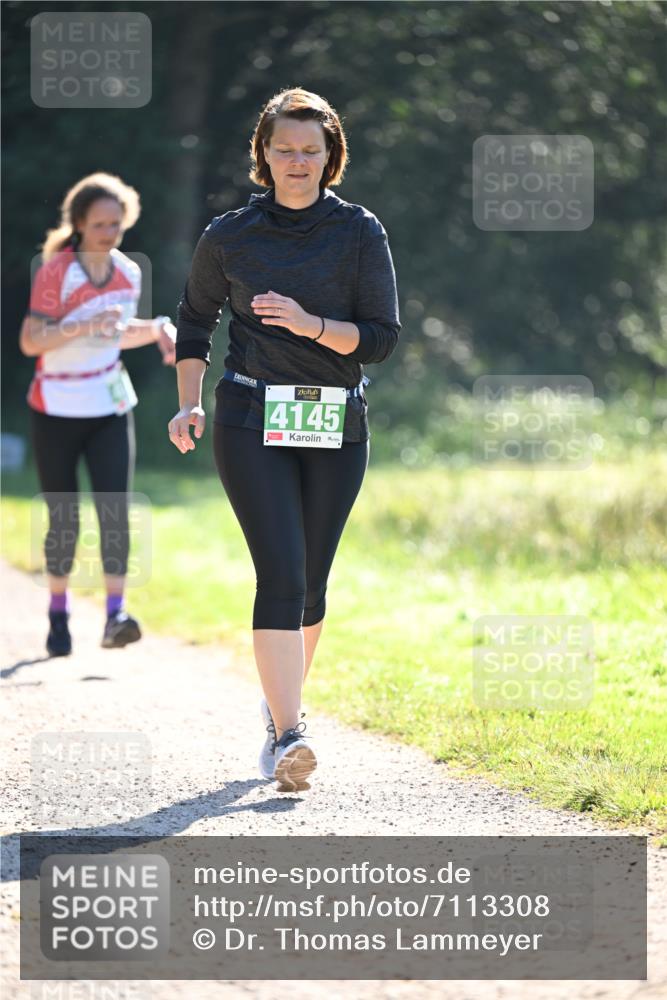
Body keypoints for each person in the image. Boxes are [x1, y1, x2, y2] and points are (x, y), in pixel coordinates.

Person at [168, 88, 400, 792]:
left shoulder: (359, 232)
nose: (297, 161)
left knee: (311, 584)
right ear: (262, 155)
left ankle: (278, 715)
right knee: (281, 572)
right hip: (249, 415)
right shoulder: (229, 235)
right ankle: (292, 735)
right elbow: (194, 320)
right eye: (284, 149)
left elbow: (380, 339)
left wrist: (309, 325)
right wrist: (187, 403)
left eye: (310, 150)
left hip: (335, 418)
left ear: (331, 157)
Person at [20, 172, 177, 657]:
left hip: (109, 404)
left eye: (116, 224)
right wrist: (82, 322)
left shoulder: (128, 272)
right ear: (79, 225)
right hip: (57, 406)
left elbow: (116, 332)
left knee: (115, 510)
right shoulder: (56, 272)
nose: (109, 233)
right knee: (64, 517)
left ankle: (115, 615)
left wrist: (157, 328)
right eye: (100, 225)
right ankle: (58, 613)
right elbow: (31, 341)